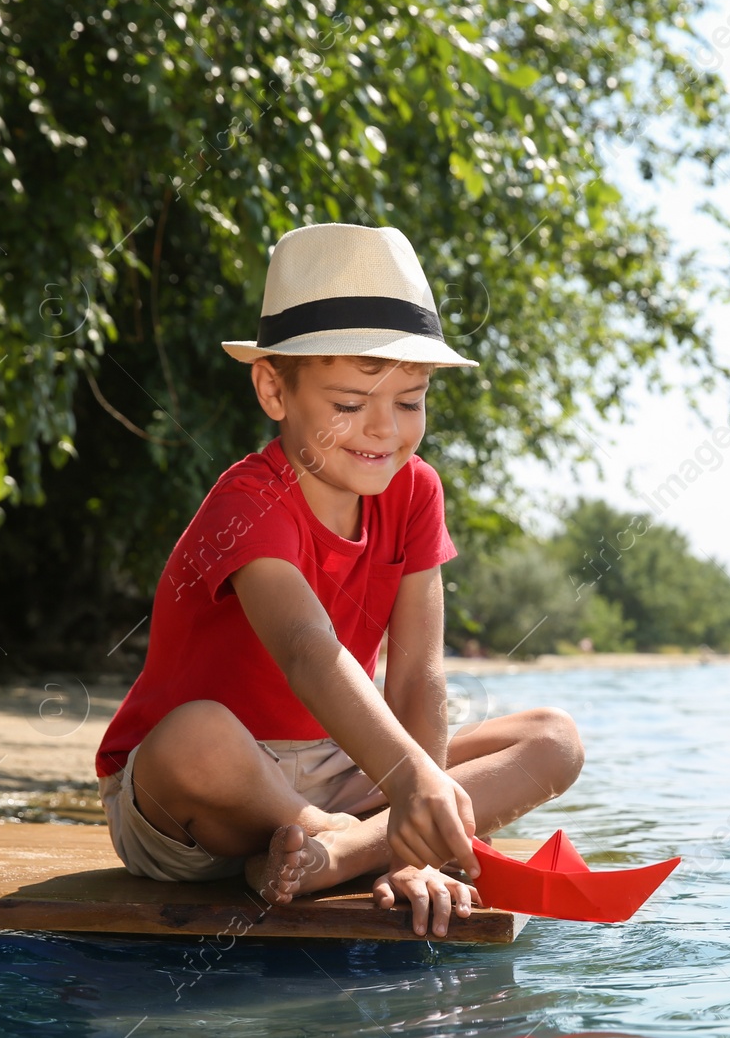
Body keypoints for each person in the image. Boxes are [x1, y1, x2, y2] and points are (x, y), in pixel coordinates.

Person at [94, 223, 583, 938]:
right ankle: (331, 834)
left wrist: (418, 800)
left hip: (344, 769)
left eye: (410, 401)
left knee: (555, 739)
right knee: (195, 737)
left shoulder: (415, 492)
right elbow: (305, 648)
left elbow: (416, 678)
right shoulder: (248, 502)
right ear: (273, 387)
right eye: (351, 403)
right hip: (201, 796)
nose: (383, 429)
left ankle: (349, 849)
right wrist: (414, 786)